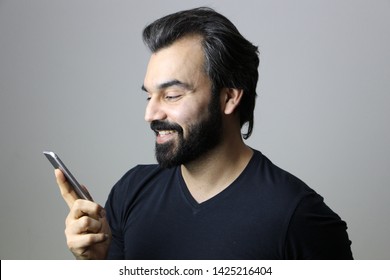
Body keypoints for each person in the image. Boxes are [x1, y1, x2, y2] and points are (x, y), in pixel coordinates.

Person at [55, 7, 353, 259]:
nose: (151, 115)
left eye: (171, 95)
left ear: (229, 97)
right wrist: (99, 262)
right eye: (149, 96)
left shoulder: (299, 217)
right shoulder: (131, 192)